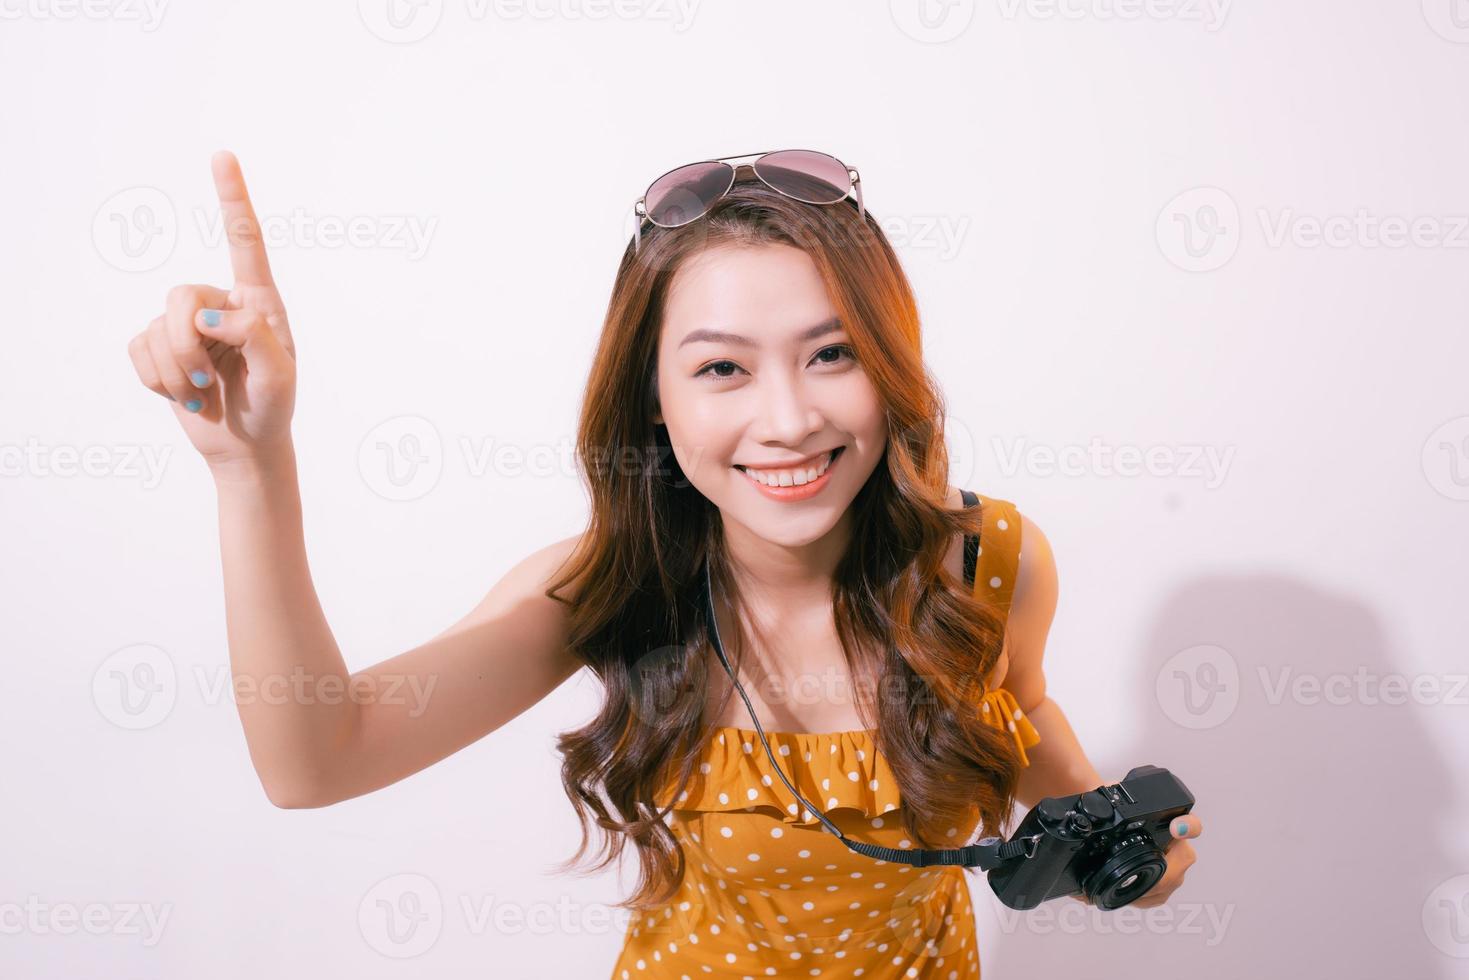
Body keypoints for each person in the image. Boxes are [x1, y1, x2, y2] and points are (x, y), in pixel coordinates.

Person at [126, 149, 1202, 978]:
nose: (786, 418)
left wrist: (1122, 858)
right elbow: (317, 759)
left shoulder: (986, 562)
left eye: (831, 353)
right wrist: (250, 466)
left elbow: (1023, 727)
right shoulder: (607, 589)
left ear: (889, 364)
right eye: (721, 367)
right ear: (654, 395)